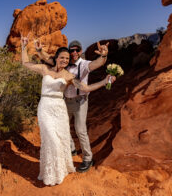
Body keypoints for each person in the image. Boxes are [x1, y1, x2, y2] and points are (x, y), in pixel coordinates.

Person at [21, 34, 115, 185]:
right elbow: (26, 62)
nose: (67, 58)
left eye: (73, 52)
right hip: (48, 107)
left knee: (74, 132)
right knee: (53, 137)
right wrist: (25, 46)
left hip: (69, 105)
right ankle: (56, 165)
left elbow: (86, 85)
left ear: (80, 51)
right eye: (64, 56)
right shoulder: (46, 68)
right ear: (57, 57)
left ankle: (78, 162)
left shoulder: (71, 74)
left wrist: (105, 79)